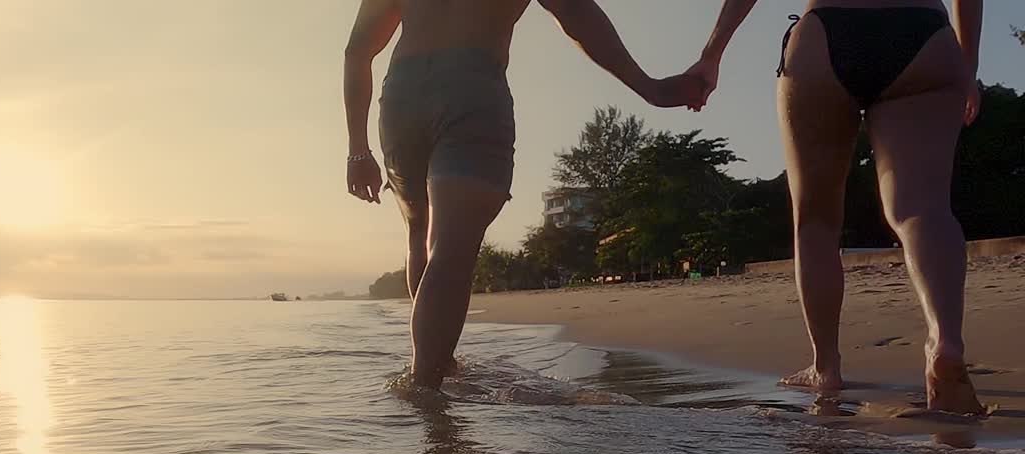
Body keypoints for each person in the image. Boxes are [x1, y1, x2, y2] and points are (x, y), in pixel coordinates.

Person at [343, 0, 705, 389]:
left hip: (404, 94)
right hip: (473, 85)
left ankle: (434, 368)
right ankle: (427, 392)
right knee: (450, 247)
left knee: (421, 233)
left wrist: (358, 149)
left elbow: (358, 50)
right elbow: (576, 14)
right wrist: (647, 86)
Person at [685, 0, 986, 414]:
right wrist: (967, 65)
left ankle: (825, 366)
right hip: (922, 30)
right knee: (921, 209)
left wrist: (711, 54)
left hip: (824, 34)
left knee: (816, 222)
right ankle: (945, 340)